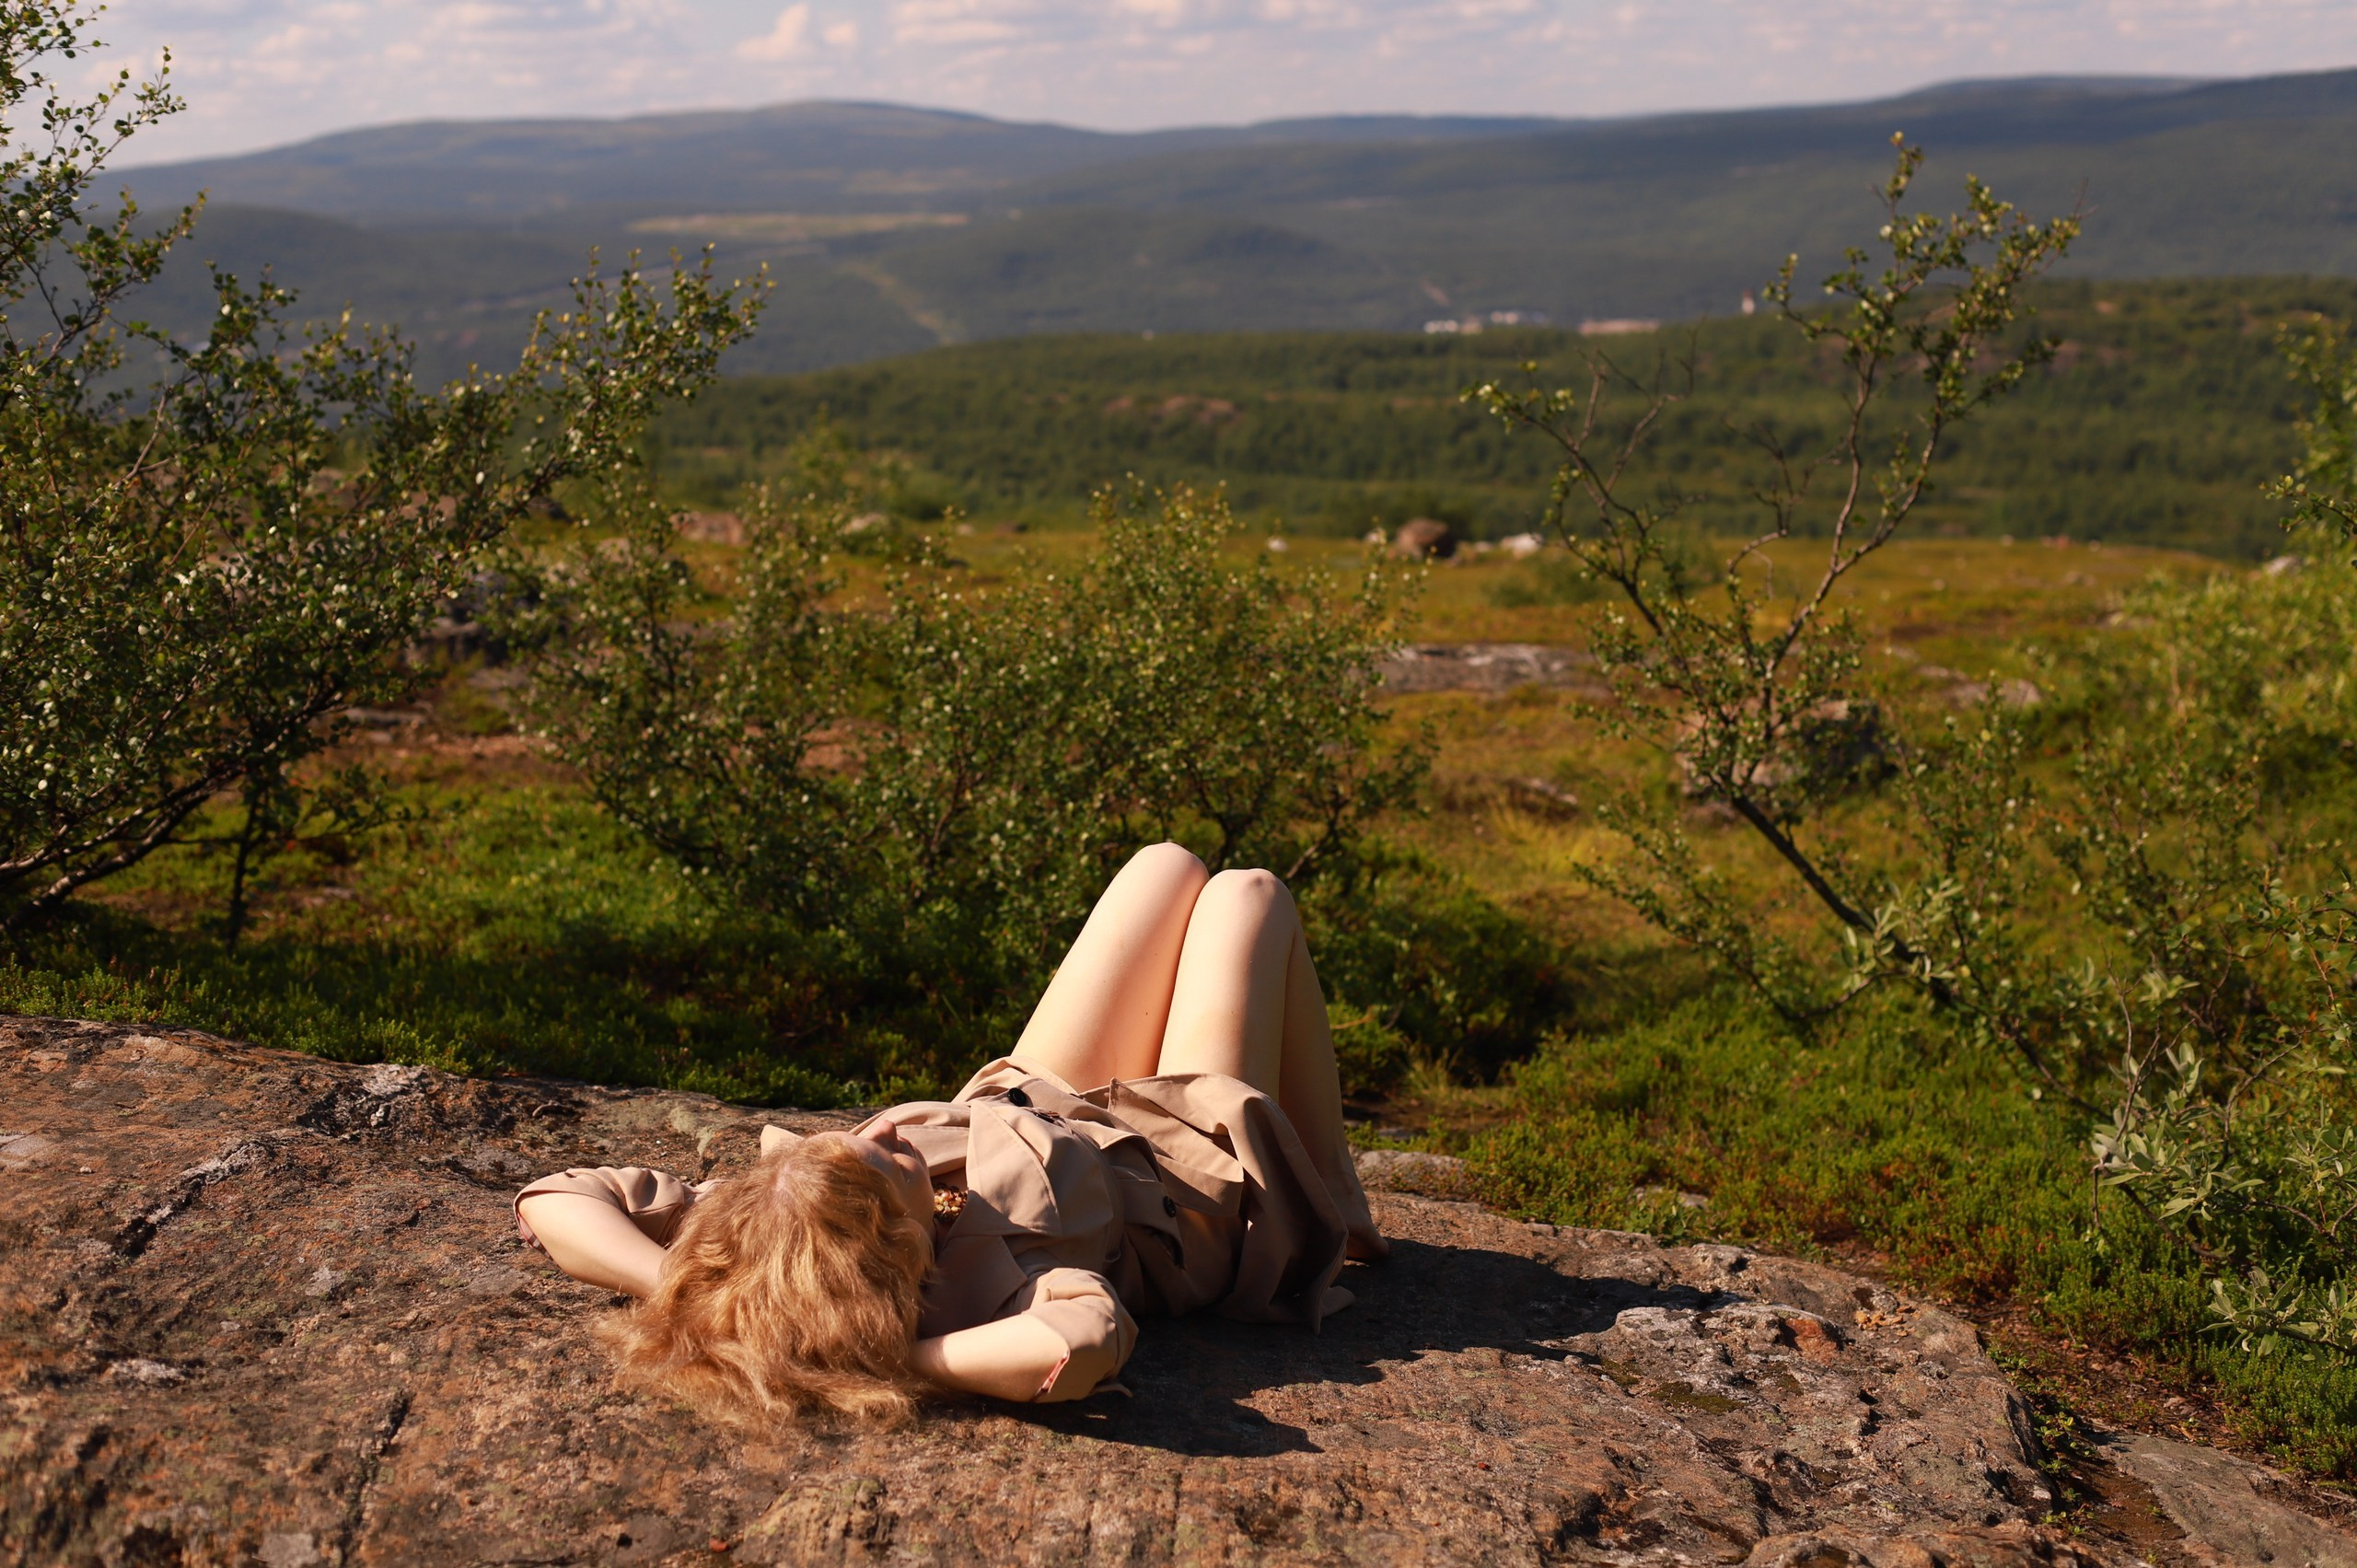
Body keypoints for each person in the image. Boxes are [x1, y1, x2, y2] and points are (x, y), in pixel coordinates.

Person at [514, 843, 1387, 1423]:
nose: (890, 1125)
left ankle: (1331, 1186)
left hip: (1028, 1101)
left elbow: (560, 1196)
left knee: (1165, 864)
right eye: (889, 1157)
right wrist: (891, 1358)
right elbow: (1080, 1345)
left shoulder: (775, 1237)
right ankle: (1331, 1193)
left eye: (859, 1137)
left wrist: (715, 1302)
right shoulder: (1002, 1291)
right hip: (1179, 1183)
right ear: (900, 1238)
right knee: (1250, 894)